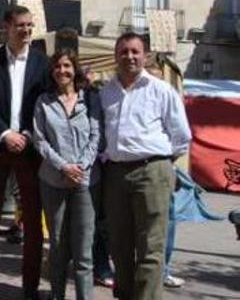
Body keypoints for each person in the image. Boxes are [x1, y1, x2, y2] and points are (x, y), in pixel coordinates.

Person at [100, 32, 191, 300]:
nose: (129, 56)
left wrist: (161, 165)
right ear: (116, 56)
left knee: (151, 247)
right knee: (119, 246)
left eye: (135, 51)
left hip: (153, 171)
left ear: (145, 55)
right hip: (115, 174)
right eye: (124, 51)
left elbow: (181, 136)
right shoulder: (106, 92)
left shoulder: (161, 90)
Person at [0, 5, 49, 300]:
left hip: (29, 150)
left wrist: (27, 134)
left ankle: (30, 287)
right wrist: (5, 134)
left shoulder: (42, 62)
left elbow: (46, 101)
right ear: (7, 27)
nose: (26, 30)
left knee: (31, 219)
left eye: (30, 25)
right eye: (20, 25)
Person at [31, 49, 101, 300]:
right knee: (58, 246)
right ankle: (57, 295)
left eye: (67, 66)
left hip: (86, 181)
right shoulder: (43, 102)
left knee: (83, 250)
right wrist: (64, 167)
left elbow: (96, 136)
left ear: (75, 69)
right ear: (52, 71)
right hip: (53, 180)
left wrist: (80, 167)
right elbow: (40, 141)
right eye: (58, 66)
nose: (62, 71)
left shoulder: (91, 99)